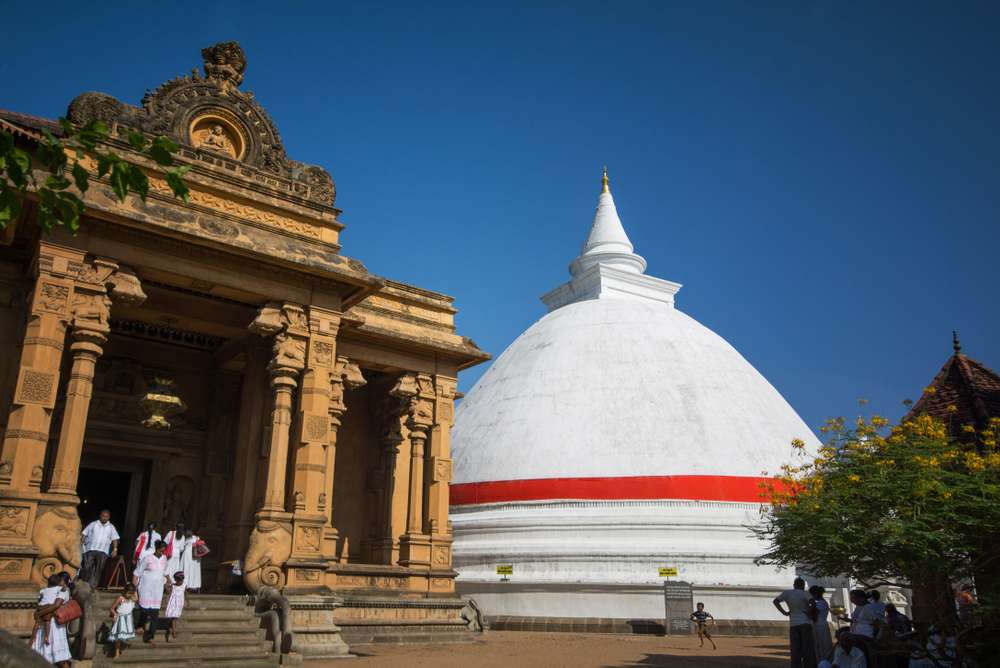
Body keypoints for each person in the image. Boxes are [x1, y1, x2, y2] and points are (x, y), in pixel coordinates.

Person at [774, 577, 817, 668]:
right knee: (807, 648)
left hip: (793, 623)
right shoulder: (805, 593)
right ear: (803, 585)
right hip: (805, 622)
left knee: (795, 648)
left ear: (794, 585)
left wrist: (784, 612)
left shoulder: (787, 593)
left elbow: (776, 601)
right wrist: (809, 611)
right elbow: (813, 602)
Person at [31, 573, 72, 668]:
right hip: (44, 624)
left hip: (55, 626)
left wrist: (40, 613)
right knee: (42, 656)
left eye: (61, 580)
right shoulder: (47, 590)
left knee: (60, 659)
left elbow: (56, 605)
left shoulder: (63, 591)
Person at [133, 539, 169, 644]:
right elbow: (137, 573)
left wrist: (170, 582)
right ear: (156, 549)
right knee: (144, 610)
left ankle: (150, 636)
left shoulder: (164, 559)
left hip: (157, 589)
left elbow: (165, 572)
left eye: (164, 551)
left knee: (155, 613)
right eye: (160, 551)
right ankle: (140, 625)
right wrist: (134, 588)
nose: (162, 553)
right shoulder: (147, 558)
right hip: (145, 588)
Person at [79, 509, 120, 589]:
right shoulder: (93, 524)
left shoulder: (111, 527)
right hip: (90, 550)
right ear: (100, 516)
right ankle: (84, 586)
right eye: (103, 516)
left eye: (106, 516)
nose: (104, 518)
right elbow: (84, 533)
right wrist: (82, 542)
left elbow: (115, 539)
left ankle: (92, 587)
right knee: (86, 568)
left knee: (98, 570)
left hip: (102, 552)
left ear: (109, 517)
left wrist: (115, 549)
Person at [107, 583, 138, 657]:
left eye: (131, 594)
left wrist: (135, 589)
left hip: (128, 619)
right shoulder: (120, 598)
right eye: (128, 593)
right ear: (125, 591)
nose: (129, 595)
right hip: (120, 619)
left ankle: (120, 648)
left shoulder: (131, 599)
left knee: (124, 635)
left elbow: (136, 599)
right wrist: (115, 614)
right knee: (119, 636)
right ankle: (116, 652)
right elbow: (112, 608)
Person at [809, 585, 833, 663]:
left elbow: (814, 616)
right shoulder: (823, 602)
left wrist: (811, 606)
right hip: (822, 624)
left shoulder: (820, 604)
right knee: (823, 644)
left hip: (819, 625)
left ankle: (823, 661)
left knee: (822, 645)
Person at [163, 571, 186, 641]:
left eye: (181, 581)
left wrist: (188, 601)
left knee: (175, 618)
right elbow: (168, 591)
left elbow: (186, 594)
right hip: (173, 604)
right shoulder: (173, 586)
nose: (180, 582)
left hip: (179, 604)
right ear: (176, 580)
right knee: (174, 618)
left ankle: (173, 629)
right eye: (179, 581)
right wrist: (167, 584)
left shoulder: (184, 585)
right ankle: (174, 631)